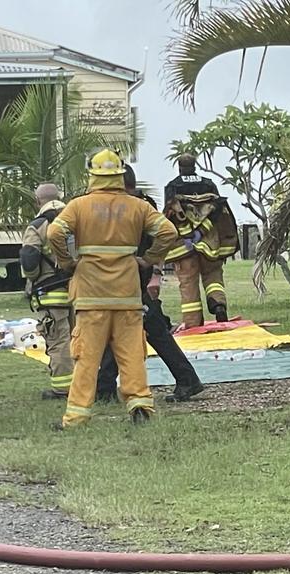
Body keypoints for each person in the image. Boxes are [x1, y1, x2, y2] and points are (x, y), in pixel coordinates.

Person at [46, 149, 179, 428]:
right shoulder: (137, 206)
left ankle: (77, 416)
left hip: (91, 296)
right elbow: (169, 232)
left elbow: (54, 232)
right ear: (120, 175)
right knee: (131, 354)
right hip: (127, 295)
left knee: (86, 358)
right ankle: (140, 405)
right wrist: (150, 259)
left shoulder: (79, 205)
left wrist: (67, 262)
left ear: (92, 175)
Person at [97, 165, 204, 404]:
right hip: (131, 278)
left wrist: (148, 261)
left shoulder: (131, 207)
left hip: (128, 279)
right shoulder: (142, 205)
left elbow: (166, 233)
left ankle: (105, 388)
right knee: (139, 329)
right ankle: (104, 386)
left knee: (130, 329)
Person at [162, 153, 238, 328]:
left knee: (188, 283)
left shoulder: (173, 186)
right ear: (195, 166)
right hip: (210, 242)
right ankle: (218, 304)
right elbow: (218, 211)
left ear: (179, 167)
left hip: (184, 245)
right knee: (213, 275)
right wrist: (202, 231)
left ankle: (193, 324)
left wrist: (187, 234)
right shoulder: (208, 184)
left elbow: (169, 215)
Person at [20, 183, 73, 400]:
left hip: (51, 292)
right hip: (80, 289)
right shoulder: (73, 219)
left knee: (58, 339)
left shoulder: (38, 225)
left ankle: (63, 388)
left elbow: (29, 258)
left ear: (37, 201)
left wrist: (32, 279)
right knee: (79, 337)